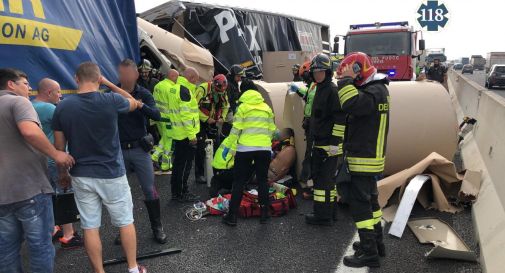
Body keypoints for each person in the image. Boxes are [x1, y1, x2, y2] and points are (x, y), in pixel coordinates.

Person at [52, 62, 147, 273]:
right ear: (98, 78)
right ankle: (132, 268)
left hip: (81, 174)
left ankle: (99, 271)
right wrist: (109, 84)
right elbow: (132, 102)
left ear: (76, 79)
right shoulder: (111, 100)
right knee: (125, 222)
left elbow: (59, 148)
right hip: (111, 173)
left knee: (90, 226)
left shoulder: (63, 106)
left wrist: (63, 174)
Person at [0, 68, 74, 273]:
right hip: (29, 189)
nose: (29, 88)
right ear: (11, 85)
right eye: (25, 83)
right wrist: (56, 154)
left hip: (2, 195)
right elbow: (29, 131)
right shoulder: (18, 102)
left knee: (6, 250)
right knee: (40, 246)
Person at [336, 52, 390, 268]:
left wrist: (346, 81)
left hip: (363, 159)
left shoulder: (374, 91)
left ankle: (369, 253)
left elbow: (350, 104)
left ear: (359, 70)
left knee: (360, 207)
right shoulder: (377, 90)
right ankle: (377, 243)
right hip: (368, 159)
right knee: (372, 204)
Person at [114, 59, 167, 244]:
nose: (126, 77)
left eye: (129, 73)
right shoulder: (111, 93)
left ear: (136, 74)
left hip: (139, 149)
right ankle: (123, 230)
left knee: (149, 189)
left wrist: (140, 105)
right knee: (120, 193)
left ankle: (157, 227)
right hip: (119, 150)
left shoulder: (143, 93)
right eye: (122, 74)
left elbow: (157, 115)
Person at [32, 78, 84, 249]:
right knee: (65, 192)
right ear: (49, 92)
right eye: (58, 92)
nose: (60, 96)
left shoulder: (32, 106)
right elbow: (68, 127)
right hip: (56, 159)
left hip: (41, 159)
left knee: (51, 195)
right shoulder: (49, 108)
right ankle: (69, 235)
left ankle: (55, 227)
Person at [221, 79, 277, 226]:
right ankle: (265, 213)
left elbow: (236, 130)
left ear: (244, 92)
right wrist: (266, 144)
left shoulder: (243, 107)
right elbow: (272, 129)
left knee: (239, 181)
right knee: (262, 180)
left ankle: (232, 216)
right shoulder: (266, 107)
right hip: (264, 149)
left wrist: (228, 146)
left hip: (245, 149)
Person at [303, 54, 346, 226]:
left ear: (328, 72)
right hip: (319, 143)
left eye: (321, 71)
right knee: (325, 182)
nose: (317, 74)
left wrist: (335, 143)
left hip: (329, 145)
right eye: (315, 72)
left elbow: (340, 119)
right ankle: (330, 212)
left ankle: (323, 216)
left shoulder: (332, 91)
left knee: (323, 183)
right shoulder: (320, 89)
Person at [167, 68, 201, 202]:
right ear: (191, 78)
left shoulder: (175, 88)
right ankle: (182, 192)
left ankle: (176, 192)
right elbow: (186, 115)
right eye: (196, 80)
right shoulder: (185, 90)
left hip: (178, 132)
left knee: (178, 164)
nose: (197, 83)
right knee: (185, 165)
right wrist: (192, 135)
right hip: (186, 134)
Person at [288, 61, 317, 199]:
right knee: (309, 153)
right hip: (310, 124)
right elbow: (308, 97)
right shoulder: (313, 86)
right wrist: (298, 91)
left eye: (304, 76)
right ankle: (306, 180)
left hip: (316, 125)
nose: (304, 80)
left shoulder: (319, 86)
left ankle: (311, 183)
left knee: (312, 154)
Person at [194, 74, 230, 184]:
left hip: (213, 122)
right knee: (200, 148)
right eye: (219, 90)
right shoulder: (203, 89)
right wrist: (205, 118)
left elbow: (226, 106)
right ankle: (199, 174)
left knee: (217, 146)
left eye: (222, 91)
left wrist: (222, 117)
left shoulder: (223, 91)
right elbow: (193, 107)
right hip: (200, 122)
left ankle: (216, 172)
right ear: (214, 85)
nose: (221, 93)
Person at [152, 69, 179, 174]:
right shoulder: (171, 88)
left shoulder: (158, 85)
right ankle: (160, 161)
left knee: (164, 138)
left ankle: (161, 162)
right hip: (168, 118)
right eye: (176, 77)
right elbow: (174, 105)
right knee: (168, 140)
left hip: (158, 117)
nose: (177, 80)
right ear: (172, 76)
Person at [223, 64, 245, 136]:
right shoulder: (228, 85)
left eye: (240, 76)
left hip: (233, 111)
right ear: (233, 75)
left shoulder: (234, 83)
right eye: (238, 76)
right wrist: (229, 114)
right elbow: (226, 101)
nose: (240, 79)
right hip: (228, 114)